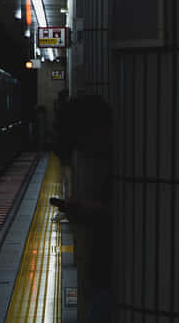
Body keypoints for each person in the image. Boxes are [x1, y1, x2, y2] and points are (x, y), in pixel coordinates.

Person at [52, 93, 113, 323]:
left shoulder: (131, 164)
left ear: (95, 129)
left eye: (81, 141)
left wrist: (90, 210)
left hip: (112, 282)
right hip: (104, 279)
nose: (84, 151)